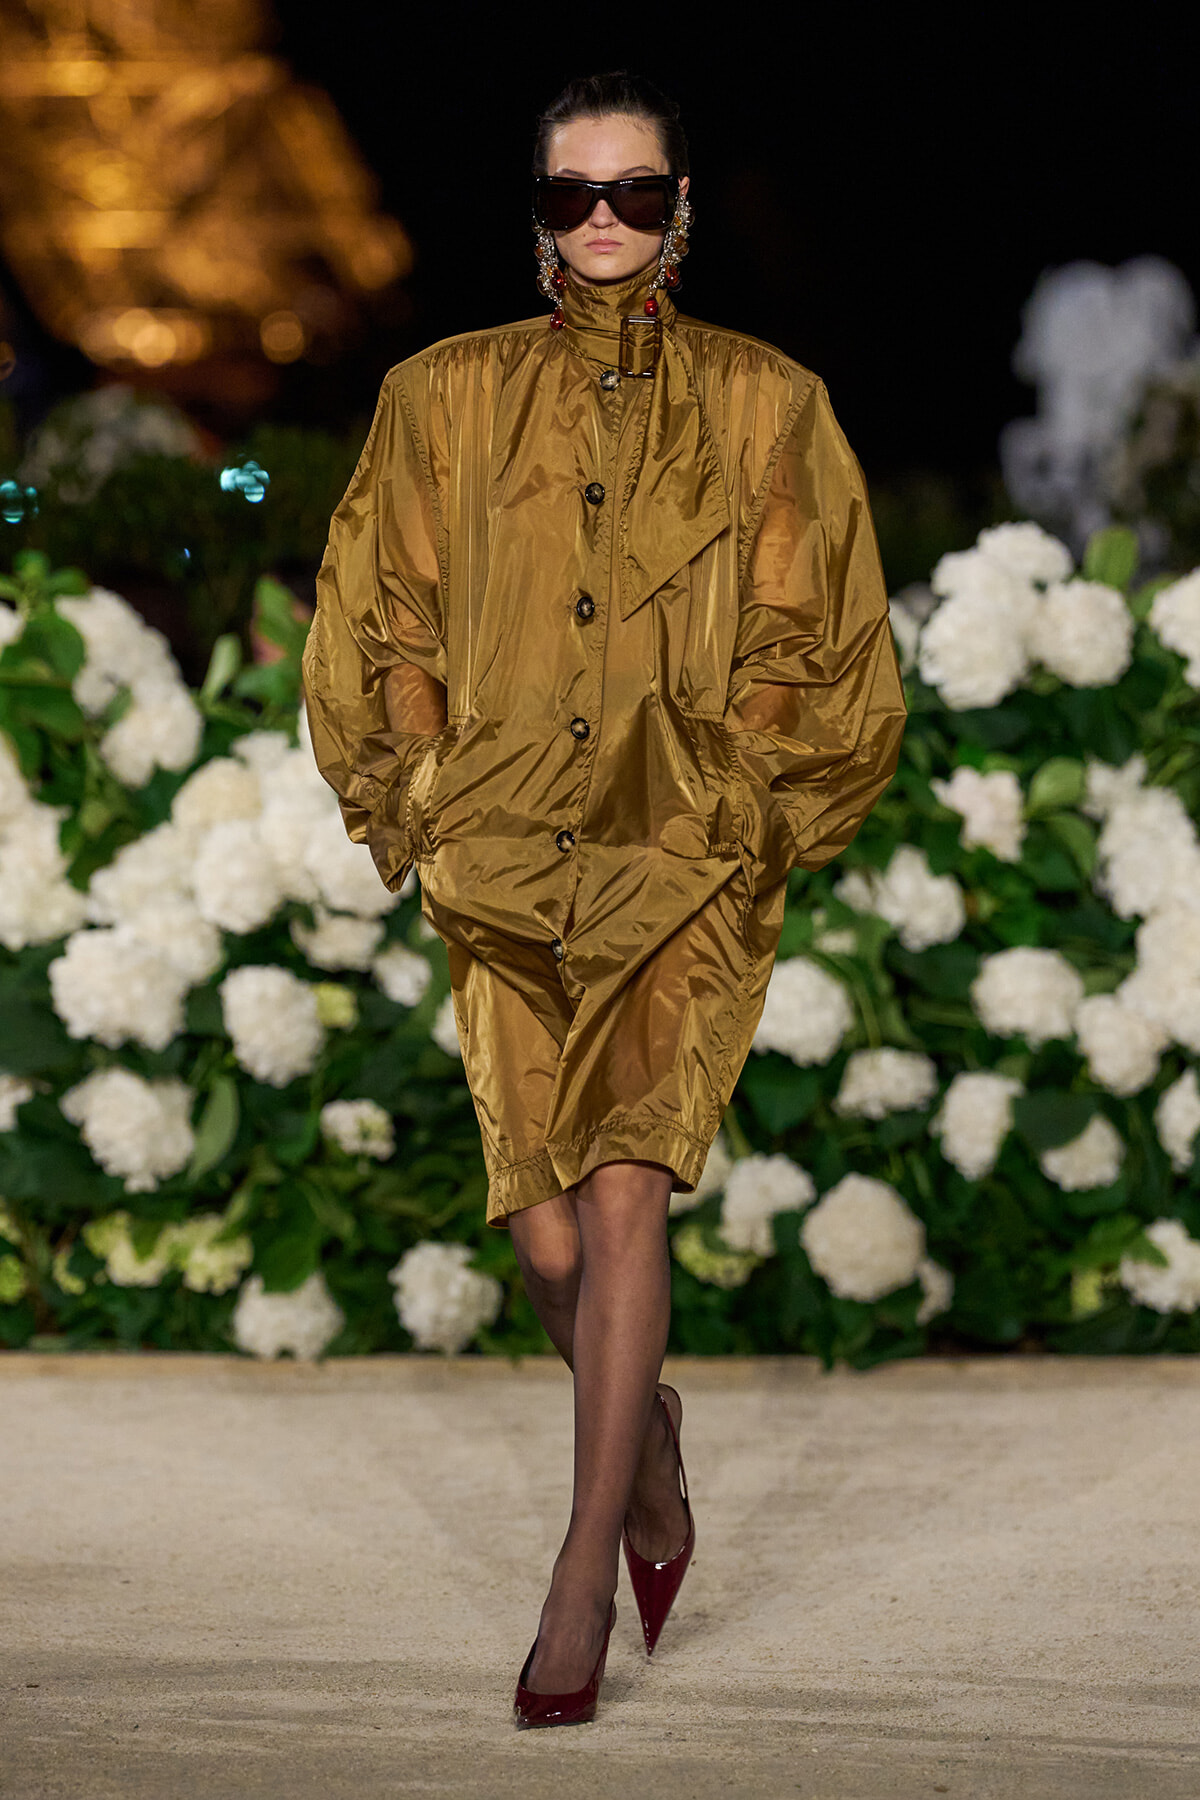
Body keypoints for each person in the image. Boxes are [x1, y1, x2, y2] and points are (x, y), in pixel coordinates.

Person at [302, 71, 907, 1728]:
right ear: (537, 215)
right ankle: (649, 1452)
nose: (604, 226)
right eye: (574, 197)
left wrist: (731, 792)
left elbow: (816, 632)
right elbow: (387, 612)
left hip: (678, 854)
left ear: (683, 208)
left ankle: (578, 1580)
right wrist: (424, 784)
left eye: (636, 196)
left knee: (628, 1191)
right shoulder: (441, 397)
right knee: (552, 1242)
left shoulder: (771, 405)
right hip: (500, 855)